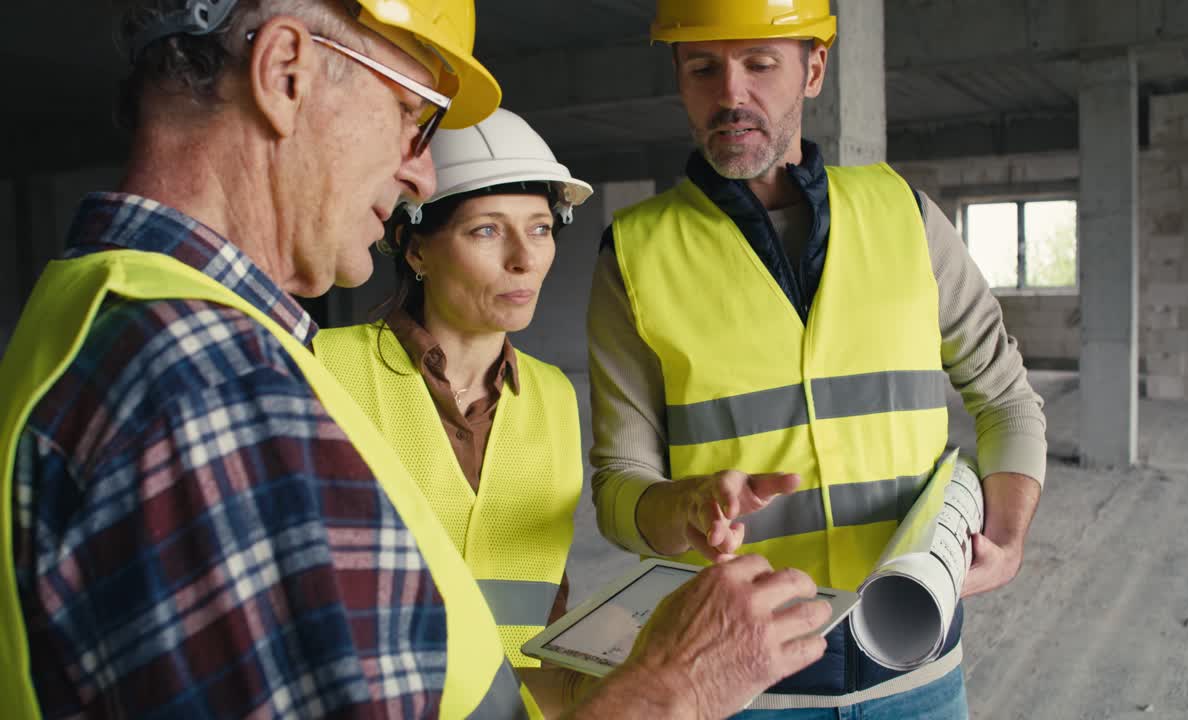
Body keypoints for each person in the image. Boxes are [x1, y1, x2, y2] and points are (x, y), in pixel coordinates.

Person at [0, 1, 832, 718]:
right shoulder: (221, 389)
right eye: (413, 113)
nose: (421, 170)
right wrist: (674, 687)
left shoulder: (103, 310)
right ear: (285, 72)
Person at [587, 0, 1047, 717]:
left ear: (815, 70)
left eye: (760, 63)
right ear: (678, 76)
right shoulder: (635, 254)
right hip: (742, 685)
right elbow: (619, 489)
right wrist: (682, 506)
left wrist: (1009, 539)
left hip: (918, 670)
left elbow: (1006, 397)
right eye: (702, 67)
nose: (731, 93)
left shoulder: (906, 217)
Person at [314, 107, 594, 715]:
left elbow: (543, 605)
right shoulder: (322, 369)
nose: (524, 258)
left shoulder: (554, 396)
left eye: (541, 228)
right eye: (487, 231)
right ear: (416, 250)